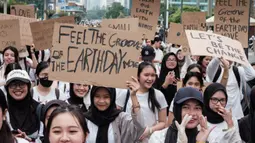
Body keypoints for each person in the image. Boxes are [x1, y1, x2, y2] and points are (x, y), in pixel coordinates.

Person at [116, 62, 167, 142]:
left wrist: (150, 130)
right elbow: (117, 117)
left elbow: (163, 122)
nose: (150, 79)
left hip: (150, 140)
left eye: (153, 75)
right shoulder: (125, 93)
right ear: (138, 76)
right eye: (146, 75)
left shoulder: (158, 95)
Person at [149, 87, 214, 143]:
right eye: (186, 107)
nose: (192, 114)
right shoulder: (159, 137)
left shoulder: (206, 136)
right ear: (177, 110)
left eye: (197, 108)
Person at [4, 69, 40, 141]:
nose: (17, 88)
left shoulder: (39, 109)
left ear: (28, 86)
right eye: (13, 85)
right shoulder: (3, 110)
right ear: (7, 88)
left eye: (22, 84)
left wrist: (29, 140)